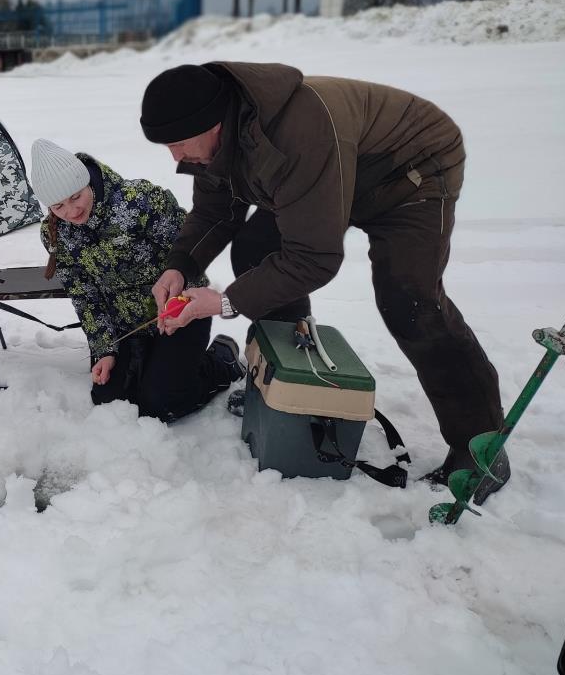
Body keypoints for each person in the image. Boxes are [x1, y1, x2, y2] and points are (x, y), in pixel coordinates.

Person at [139, 62, 509, 503]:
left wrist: (225, 304)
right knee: (257, 251)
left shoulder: (294, 135)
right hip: (332, 171)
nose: (175, 157)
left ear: (213, 122)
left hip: (409, 171)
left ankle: (480, 447)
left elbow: (315, 258)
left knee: (410, 301)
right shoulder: (220, 139)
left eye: (179, 143)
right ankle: (293, 381)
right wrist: (178, 265)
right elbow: (216, 212)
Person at [31, 138, 245, 423]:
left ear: (87, 182)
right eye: (58, 206)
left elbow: (191, 252)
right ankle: (150, 362)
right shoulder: (56, 234)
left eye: (76, 197)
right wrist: (105, 348)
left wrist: (180, 304)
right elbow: (84, 294)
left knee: (162, 404)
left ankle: (222, 360)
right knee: (108, 399)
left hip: (179, 313)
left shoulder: (139, 201)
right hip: (126, 328)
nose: (71, 211)